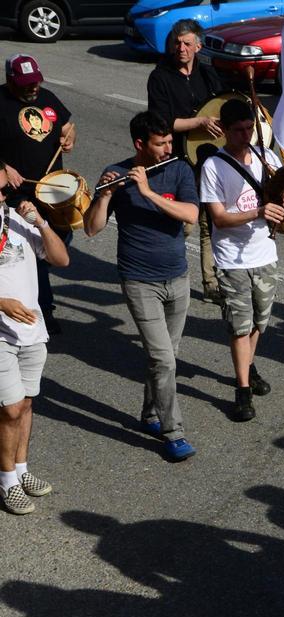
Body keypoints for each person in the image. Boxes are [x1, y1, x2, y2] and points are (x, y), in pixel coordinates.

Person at [83, 111, 200, 463]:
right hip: (139, 281)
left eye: (169, 142)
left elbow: (191, 215)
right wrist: (105, 196)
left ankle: (150, 413)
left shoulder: (179, 169)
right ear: (140, 144)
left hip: (178, 278)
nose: (167, 148)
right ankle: (173, 432)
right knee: (163, 359)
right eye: (160, 143)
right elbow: (91, 229)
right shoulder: (117, 173)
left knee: (166, 357)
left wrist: (148, 192)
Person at [200, 99, 284, 423]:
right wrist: (258, 212)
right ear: (225, 131)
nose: (246, 136)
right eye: (239, 131)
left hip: (265, 254)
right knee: (240, 327)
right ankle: (242, 390)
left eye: (249, 129)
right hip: (232, 259)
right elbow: (218, 218)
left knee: (259, 322)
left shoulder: (266, 156)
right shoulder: (213, 167)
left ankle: (248, 365)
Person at [0, 160, 69, 514]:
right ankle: (7, 480)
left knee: (26, 404)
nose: (3, 197)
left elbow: (61, 259)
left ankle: (22, 470)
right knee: (10, 409)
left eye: (4, 191)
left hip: (31, 331)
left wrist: (40, 222)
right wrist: (2, 303)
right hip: (0, 334)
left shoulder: (18, 222)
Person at [146, 19, 226, 305]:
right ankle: (168, 273)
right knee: (185, 222)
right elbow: (162, 122)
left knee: (210, 221)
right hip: (177, 159)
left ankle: (211, 283)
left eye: (187, 43)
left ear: (198, 46)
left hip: (209, 158)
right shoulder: (160, 77)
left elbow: (221, 105)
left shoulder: (207, 74)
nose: (181, 48)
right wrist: (199, 122)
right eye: (177, 43)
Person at [0, 54, 76, 335]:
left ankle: (35, 285)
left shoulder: (48, 97)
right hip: (15, 195)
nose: (33, 88)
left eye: (35, 82)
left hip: (51, 190)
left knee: (61, 240)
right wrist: (5, 167)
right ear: (10, 80)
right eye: (25, 84)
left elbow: (68, 126)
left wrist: (70, 137)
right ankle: (44, 309)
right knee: (35, 246)